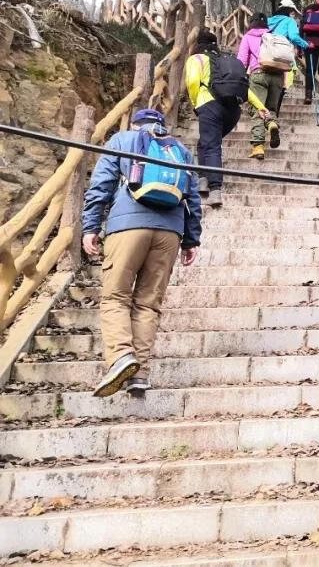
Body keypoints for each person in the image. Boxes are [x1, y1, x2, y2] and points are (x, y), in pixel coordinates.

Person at [81, 108, 202, 398]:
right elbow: (193, 197)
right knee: (148, 303)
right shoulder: (180, 150)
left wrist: (91, 226)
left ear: (135, 124)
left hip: (127, 226)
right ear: (161, 127)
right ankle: (140, 376)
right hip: (169, 232)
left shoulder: (121, 140)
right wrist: (191, 239)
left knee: (115, 297)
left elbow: (101, 185)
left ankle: (122, 356)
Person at [184, 30, 270, 207]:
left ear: (197, 44)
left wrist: (195, 102)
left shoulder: (196, 59)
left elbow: (192, 81)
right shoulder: (225, 62)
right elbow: (243, 88)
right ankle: (203, 179)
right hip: (232, 111)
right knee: (206, 142)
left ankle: (215, 190)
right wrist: (260, 106)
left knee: (212, 145)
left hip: (209, 106)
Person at [236, 13, 288, 160]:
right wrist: (283, 82)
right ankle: (272, 124)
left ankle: (258, 146)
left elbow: (241, 61)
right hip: (277, 76)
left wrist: (240, 79)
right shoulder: (275, 36)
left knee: (258, 109)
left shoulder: (248, 37)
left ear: (251, 23)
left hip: (259, 74)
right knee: (271, 109)